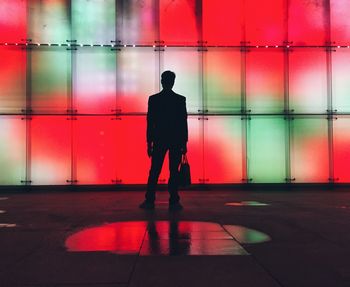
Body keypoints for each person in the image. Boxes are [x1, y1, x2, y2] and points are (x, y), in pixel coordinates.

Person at [139, 71, 188, 211]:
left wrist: (149, 142)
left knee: (154, 171)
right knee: (173, 171)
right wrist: (184, 143)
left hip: (160, 139)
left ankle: (149, 200)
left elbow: (150, 122)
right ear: (173, 82)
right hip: (176, 140)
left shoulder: (154, 99)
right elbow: (182, 123)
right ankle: (174, 200)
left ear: (162, 81)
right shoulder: (180, 100)